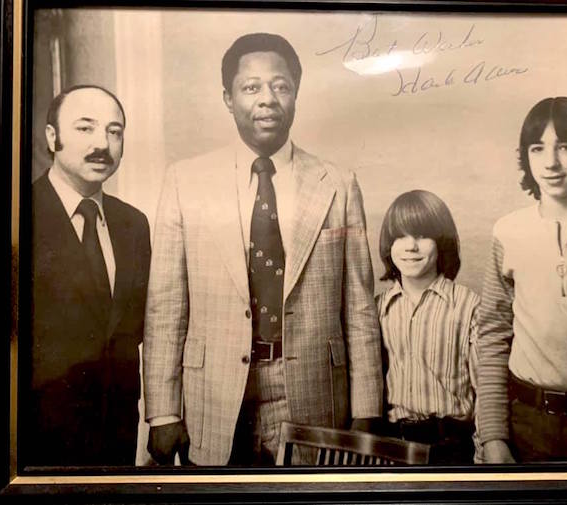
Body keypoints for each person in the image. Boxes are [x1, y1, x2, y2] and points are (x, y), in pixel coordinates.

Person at [143, 32, 383, 466]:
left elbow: (361, 308)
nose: (267, 99)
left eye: (280, 85)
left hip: (313, 391)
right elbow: (165, 305)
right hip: (212, 391)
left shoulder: (338, 183)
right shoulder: (185, 182)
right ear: (228, 98)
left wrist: (367, 408)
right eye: (250, 87)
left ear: (296, 94)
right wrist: (162, 410)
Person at [477, 97, 567, 463]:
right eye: (537, 148)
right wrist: (493, 437)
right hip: (527, 425)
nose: (550, 163)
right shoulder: (508, 232)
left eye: (565, 147)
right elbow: (492, 336)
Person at [30, 85, 151, 466]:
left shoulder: (133, 224)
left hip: (116, 435)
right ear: (53, 137)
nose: (103, 143)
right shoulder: (20, 215)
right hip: (34, 438)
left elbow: (139, 327)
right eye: (85, 128)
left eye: (114, 132)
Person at [376, 190, 481, 464]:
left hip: (452, 448)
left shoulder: (469, 306)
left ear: (442, 242)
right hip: (391, 447)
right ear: (389, 244)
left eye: (422, 236)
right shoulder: (377, 308)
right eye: (400, 236)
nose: (410, 246)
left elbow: (487, 394)